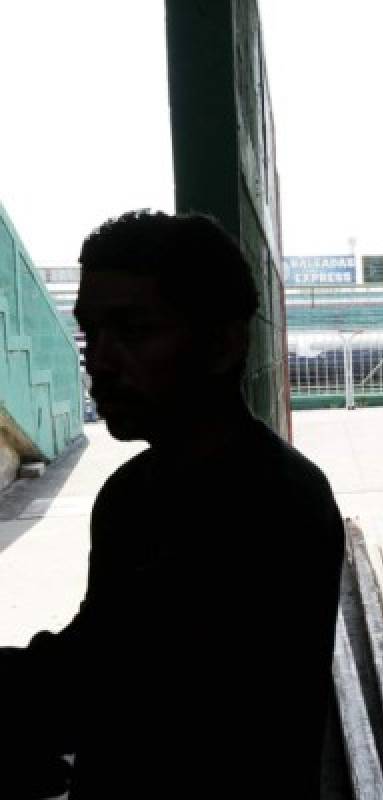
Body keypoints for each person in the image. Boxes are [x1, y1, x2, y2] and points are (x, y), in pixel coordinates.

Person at [0, 211, 345, 798]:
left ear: (222, 345)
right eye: (90, 333)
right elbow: (101, 655)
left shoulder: (268, 509)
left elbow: (96, 686)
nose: (99, 360)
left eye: (133, 331)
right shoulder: (133, 491)